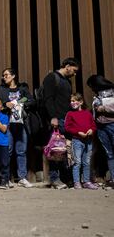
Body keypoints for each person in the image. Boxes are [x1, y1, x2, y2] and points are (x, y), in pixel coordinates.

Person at [42, 57, 80, 189]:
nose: (74, 74)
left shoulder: (67, 81)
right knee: (55, 150)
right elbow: (48, 99)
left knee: (65, 150)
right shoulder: (52, 77)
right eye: (74, 71)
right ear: (67, 66)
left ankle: (65, 178)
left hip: (66, 120)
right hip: (56, 119)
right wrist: (53, 117)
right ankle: (55, 179)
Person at [0, 68, 35, 188]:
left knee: (21, 151)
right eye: (3, 75)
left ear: (13, 76)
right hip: (7, 124)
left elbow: (32, 101)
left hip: (21, 123)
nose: (4, 77)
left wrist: (21, 104)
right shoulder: (0, 90)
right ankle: (6, 178)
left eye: (6, 75)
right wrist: (5, 104)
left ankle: (22, 178)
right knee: (7, 150)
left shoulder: (22, 89)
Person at [64, 93, 98, 189]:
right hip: (77, 141)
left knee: (87, 162)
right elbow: (67, 127)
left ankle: (86, 181)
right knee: (77, 162)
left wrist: (92, 130)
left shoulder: (87, 113)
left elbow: (93, 125)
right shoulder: (70, 114)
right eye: (71, 101)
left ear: (81, 102)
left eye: (74, 101)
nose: (72, 103)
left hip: (88, 140)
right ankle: (76, 182)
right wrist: (78, 132)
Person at [87, 74, 114, 188]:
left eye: (92, 86)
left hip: (112, 124)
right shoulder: (97, 96)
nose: (91, 89)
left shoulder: (112, 92)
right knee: (109, 153)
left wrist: (103, 108)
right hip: (101, 127)